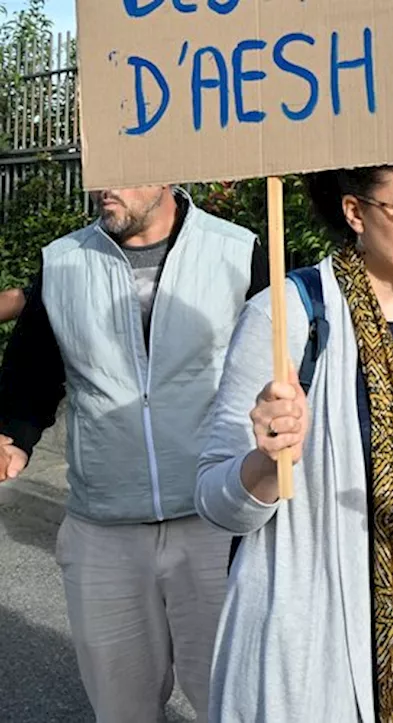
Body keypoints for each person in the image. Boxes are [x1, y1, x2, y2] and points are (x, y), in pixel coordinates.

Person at [196, 159, 393, 723]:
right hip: (320, 645)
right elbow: (215, 500)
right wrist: (267, 462)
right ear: (355, 211)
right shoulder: (288, 316)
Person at [0, 185, 267, 723]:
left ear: (162, 170)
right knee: (122, 710)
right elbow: (31, 375)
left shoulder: (240, 251)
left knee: (235, 703)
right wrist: (13, 437)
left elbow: (283, 365)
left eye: (119, 172)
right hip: (105, 528)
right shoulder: (64, 262)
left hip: (215, 521)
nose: (103, 187)